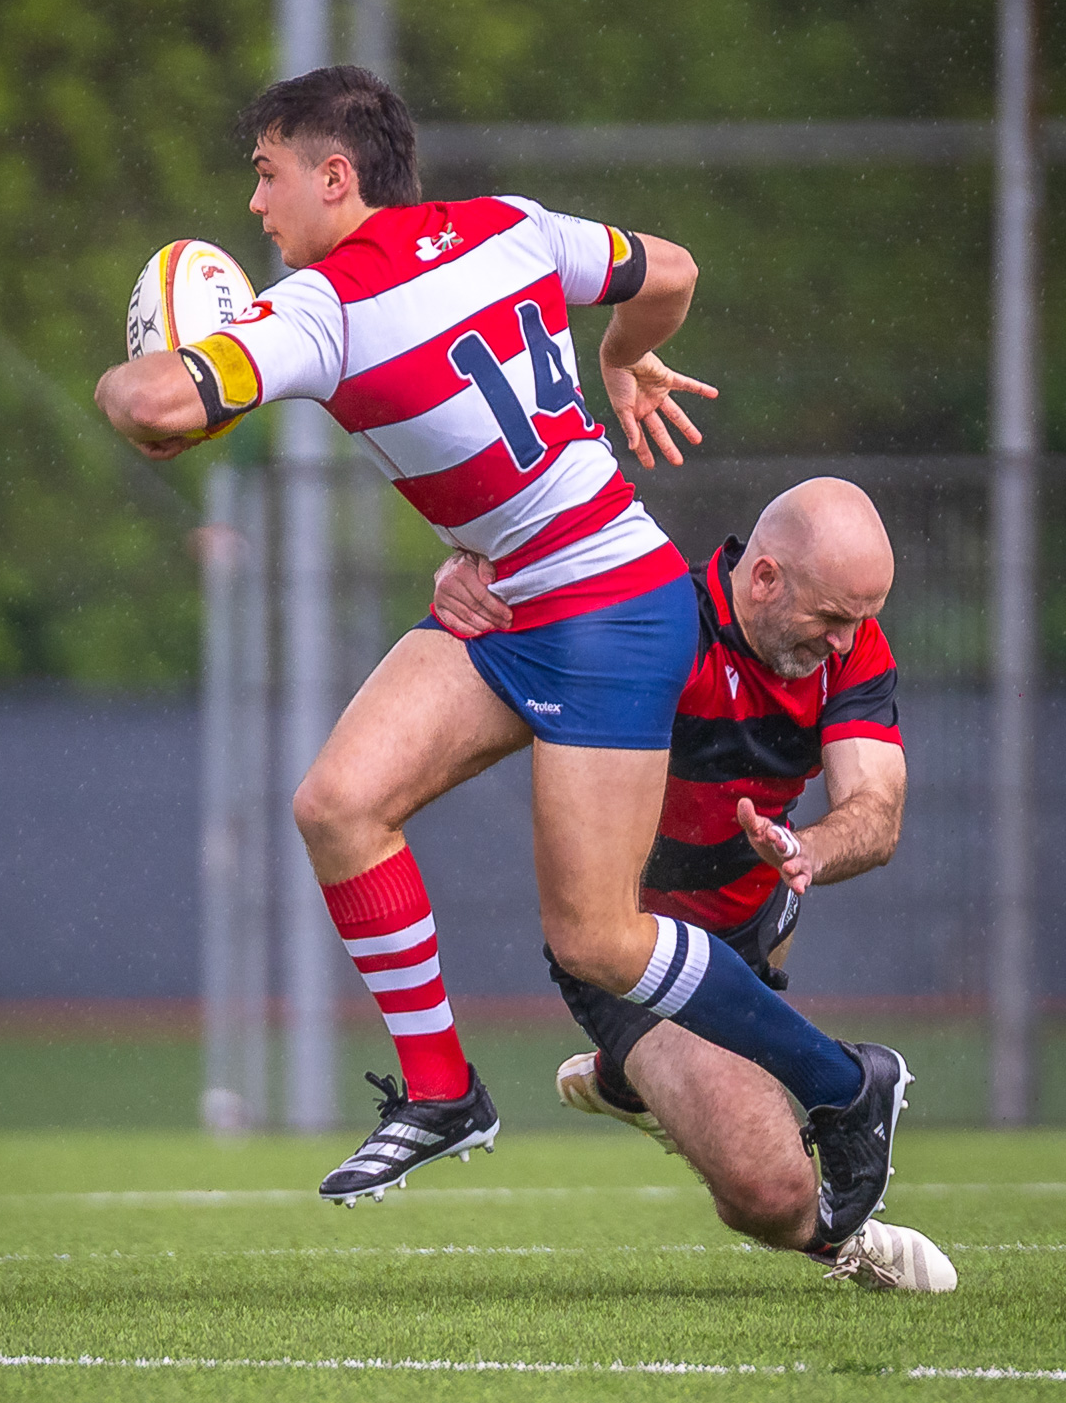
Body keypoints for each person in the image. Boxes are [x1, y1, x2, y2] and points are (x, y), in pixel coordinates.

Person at [95, 65, 909, 1249]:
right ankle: (441, 1091)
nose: (258, 207)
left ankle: (845, 1087)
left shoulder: (319, 309)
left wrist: (141, 376)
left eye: (268, 175)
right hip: (519, 593)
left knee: (599, 940)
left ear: (336, 175)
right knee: (338, 806)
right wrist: (624, 355)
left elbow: (155, 408)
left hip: (607, 605)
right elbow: (670, 270)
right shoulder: (508, 228)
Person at [431, 477, 955, 1290]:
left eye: (863, 619)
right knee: (771, 1195)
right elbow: (532, 594)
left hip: (745, 935)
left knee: (742, 1124)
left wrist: (808, 848)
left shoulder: (853, 647)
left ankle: (623, 1081)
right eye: (831, 618)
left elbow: (875, 810)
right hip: (624, 952)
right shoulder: (657, 620)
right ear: (765, 577)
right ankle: (836, 1235)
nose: (848, 641)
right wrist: (468, 572)